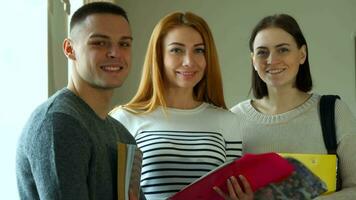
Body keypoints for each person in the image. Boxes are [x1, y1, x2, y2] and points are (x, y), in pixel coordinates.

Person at [111, 11, 253, 200]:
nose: (189, 62)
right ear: (158, 56)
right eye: (177, 50)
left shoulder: (227, 121)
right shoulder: (125, 118)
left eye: (199, 50)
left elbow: (231, 190)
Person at [16, 2, 143, 200]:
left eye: (124, 44)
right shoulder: (59, 122)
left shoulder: (122, 135)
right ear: (69, 49)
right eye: (99, 43)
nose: (115, 53)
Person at [231, 13, 356, 199]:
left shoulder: (334, 112)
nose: (272, 60)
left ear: (302, 54)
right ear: (253, 60)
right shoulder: (233, 119)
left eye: (283, 50)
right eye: (262, 52)